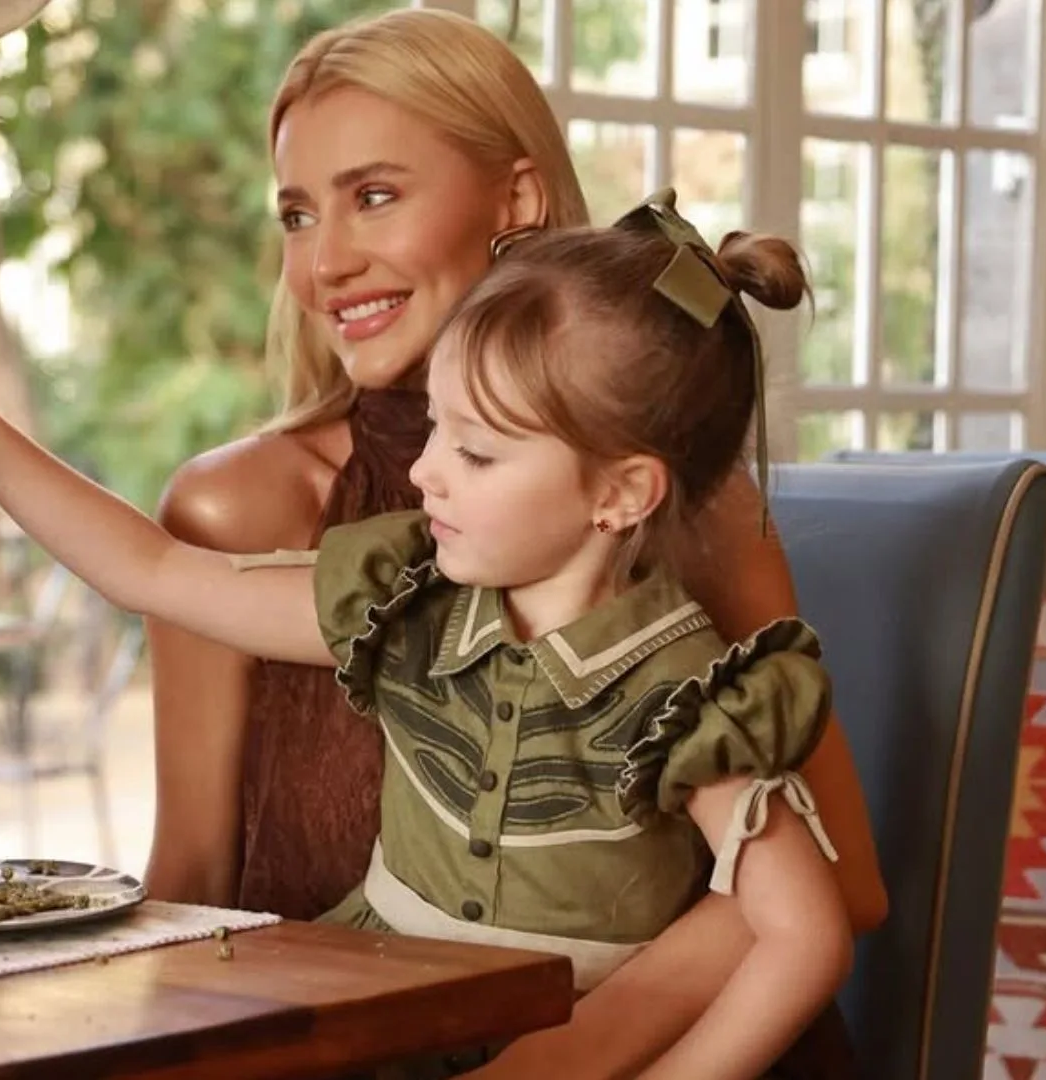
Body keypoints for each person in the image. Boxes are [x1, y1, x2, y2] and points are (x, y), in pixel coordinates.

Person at [0, 189, 852, 1079]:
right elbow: (151, 570)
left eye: (477, 451)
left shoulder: (693, 696)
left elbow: (807, 933)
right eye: (437, 427)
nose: (429, 472)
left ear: (620, 493)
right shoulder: (406, 604)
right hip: (363, 1030)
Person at [136, 10, 884, 1077]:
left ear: (518, 201)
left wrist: (561, 1061)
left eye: (375, 196)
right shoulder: (233, 510)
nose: (325, 262)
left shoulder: (688, 502)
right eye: (297, 214)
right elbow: (192, 878)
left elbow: (841, 883)